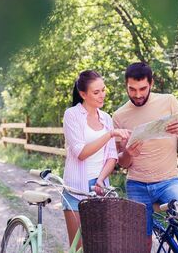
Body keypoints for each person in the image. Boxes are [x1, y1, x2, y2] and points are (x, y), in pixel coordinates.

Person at [112, 62, 178, 253]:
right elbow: (122, 162)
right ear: (125, 86)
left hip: (169, 181)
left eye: (143, 88)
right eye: (132, 89)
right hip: (137, 184)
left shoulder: (168, 101)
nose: (137, 94)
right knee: (142, 244)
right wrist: (128, 153)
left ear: (151, 83)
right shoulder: (119, 115)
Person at [62, 70, 130, 249]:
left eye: (103, 90)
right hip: (76, 188)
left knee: (100, 245)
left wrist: (100, 180)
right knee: (78, 247)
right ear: (83, 94)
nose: (102, 95)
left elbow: (112, 156)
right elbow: (81, 152)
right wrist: (109, 134)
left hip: (100, 188)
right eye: (96, 92)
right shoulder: (72, 115)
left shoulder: (106, 117)